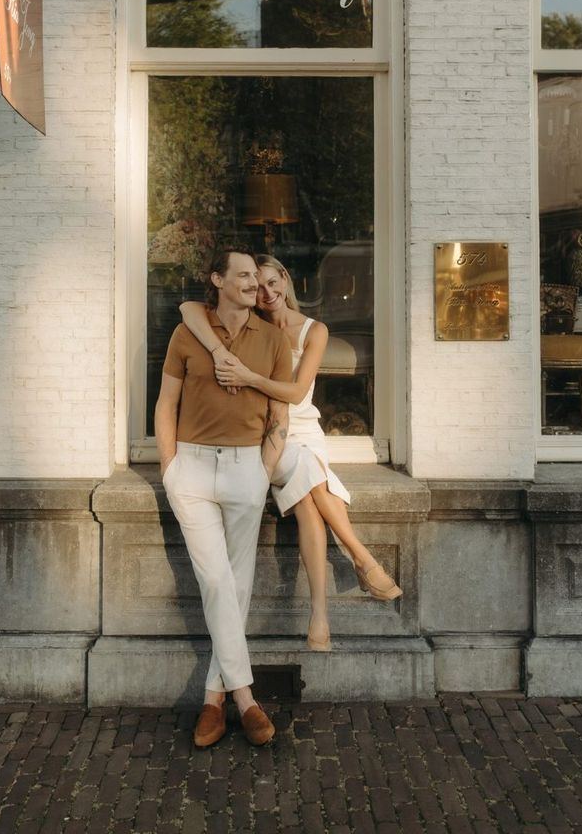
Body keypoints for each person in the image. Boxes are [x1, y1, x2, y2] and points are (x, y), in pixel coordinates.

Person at [180, 253, 402, 654]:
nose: (267, 292)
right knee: (305, 476)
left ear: (285, 278)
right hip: (272, 432)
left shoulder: (313, 330)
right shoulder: (253, 327)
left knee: (307, 501)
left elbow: (298, 393)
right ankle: (359, 559)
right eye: (258, 286)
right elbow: (188, 308)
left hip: (307, 429)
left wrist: (248, 377)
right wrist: (219, 352)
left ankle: (321, 615)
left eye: (273, 281)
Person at [155, 246, 292, 749]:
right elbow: (166, 402)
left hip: (245, 469)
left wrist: (264, 470)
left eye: (256, 276)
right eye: (243, 276)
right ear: (217, 280)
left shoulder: (274, 337)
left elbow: (281, 410)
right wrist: (169, 467)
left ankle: (213, 700)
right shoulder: (188, 332)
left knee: (237, 585)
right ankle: (247, 700)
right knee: (216, 580)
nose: (254, 283)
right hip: (190, 468)